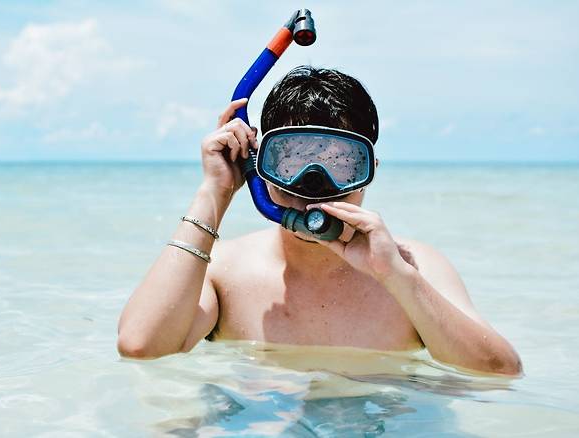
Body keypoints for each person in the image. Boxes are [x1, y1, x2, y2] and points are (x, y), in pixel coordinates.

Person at [117, 66, 522, 375]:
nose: (313, 183)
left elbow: (499, 372)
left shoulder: (414, 267)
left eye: (340, 163)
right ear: (259, 164)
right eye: (291, 159)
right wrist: (215, 191)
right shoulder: (223, 269)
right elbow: (141, 346)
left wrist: (397, 277)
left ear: (369, 170)